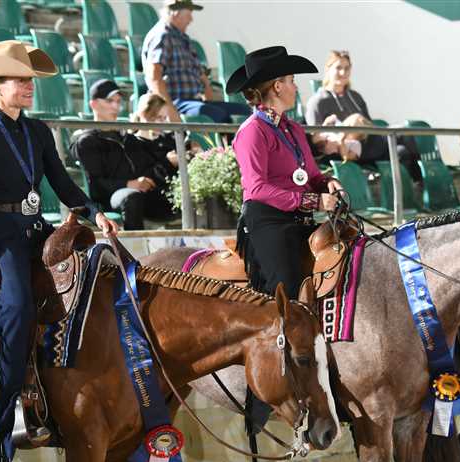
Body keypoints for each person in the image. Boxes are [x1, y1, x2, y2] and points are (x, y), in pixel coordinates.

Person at [0, 41, 117, 462]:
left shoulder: (38, 131)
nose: (29, 86)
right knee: (17, 307)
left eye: (30, 80)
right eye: (20, 80)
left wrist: (95, 212)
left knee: (93, 279)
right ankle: (7, 412)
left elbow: (62, 182)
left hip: (35, 228)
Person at [227, 46, 343, 299]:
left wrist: (329, 183)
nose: (296, 87)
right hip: (269, 222)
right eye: (292, 80)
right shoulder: (252, 131)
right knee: (288, 292)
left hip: (300, 220)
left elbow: (312, 176)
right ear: (278, 86)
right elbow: (257, 189)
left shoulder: (294, 129)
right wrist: (313, 201)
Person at [70, 83, 178, 230]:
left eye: (118, 101)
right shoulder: (87, 141)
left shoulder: (128, 138)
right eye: (110, 101)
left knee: (186, 194)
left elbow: (148, 170)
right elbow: (96, 185)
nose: (116, 106)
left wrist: (168, 162)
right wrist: (129, 184)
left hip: (140, 193)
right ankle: (134, 244)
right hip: (111, 198)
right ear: (93, 104)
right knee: (132, 197)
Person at [304, 50, 420, 179]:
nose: (343, 72)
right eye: (338, 68)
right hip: (346, 150)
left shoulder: (355, 96)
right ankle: (421, 180)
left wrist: (357, 123)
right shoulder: (317, 101)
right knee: (404, 133)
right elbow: (316, 140)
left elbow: (368, 124)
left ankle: (416, 184)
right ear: (328, 69)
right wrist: (344, 132)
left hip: (368, 143)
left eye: (347, 68)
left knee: (401, 152)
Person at [141, 0, 248, 123]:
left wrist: (208, 95)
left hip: (193, 101)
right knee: (217, 114)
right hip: (175, 101)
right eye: (189, 14)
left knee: (245, 111)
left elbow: (201, 76)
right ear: (176, 12)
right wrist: (170, 110)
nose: (191, 19)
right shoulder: (162, 36)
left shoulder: (183, 39)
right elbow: (154, 77)